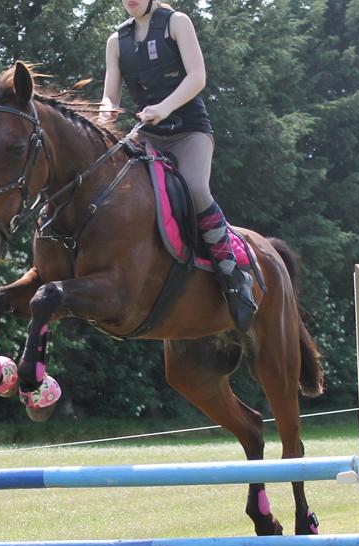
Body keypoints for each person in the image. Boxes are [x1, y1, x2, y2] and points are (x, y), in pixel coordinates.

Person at [99, 0, 256, 332]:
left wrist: (164, 107)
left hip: (189, 131)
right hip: (147, 135)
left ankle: (232, 274)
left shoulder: (177, 22)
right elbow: (110, 96)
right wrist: (104, 113)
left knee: (196, 188)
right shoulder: (116, 41)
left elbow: (198, 77)